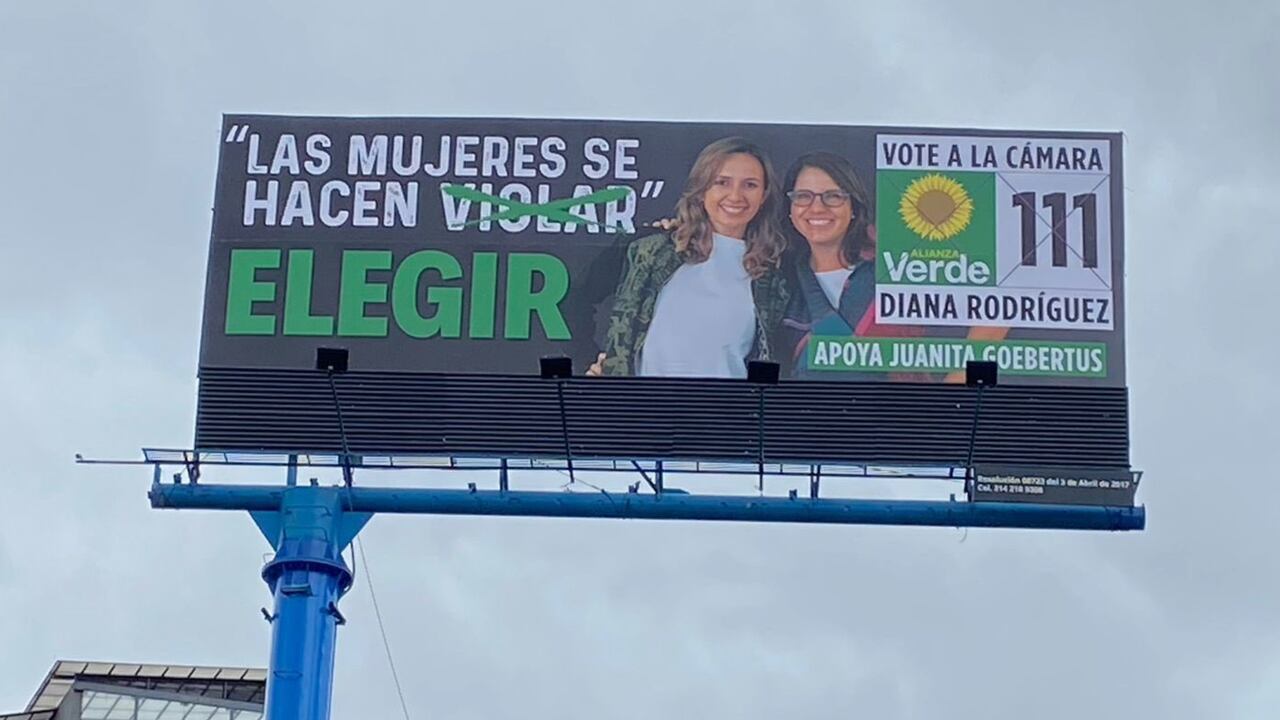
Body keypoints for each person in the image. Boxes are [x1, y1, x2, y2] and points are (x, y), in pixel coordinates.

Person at [588, 137, 790, 378]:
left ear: (764, 194)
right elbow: (599, 316)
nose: (735, 195)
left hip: (725, 413)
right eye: (722, 182)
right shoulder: (652, 251)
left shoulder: (773, 272)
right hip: (643, 410)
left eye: (750, 185)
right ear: (702, 188)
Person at [778, 152, 926, 378]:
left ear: (854, 207)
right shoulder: (781, 282)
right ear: (790, 209)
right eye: (803, 196)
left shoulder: (894, 271)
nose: (817, 208)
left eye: (833, 196)